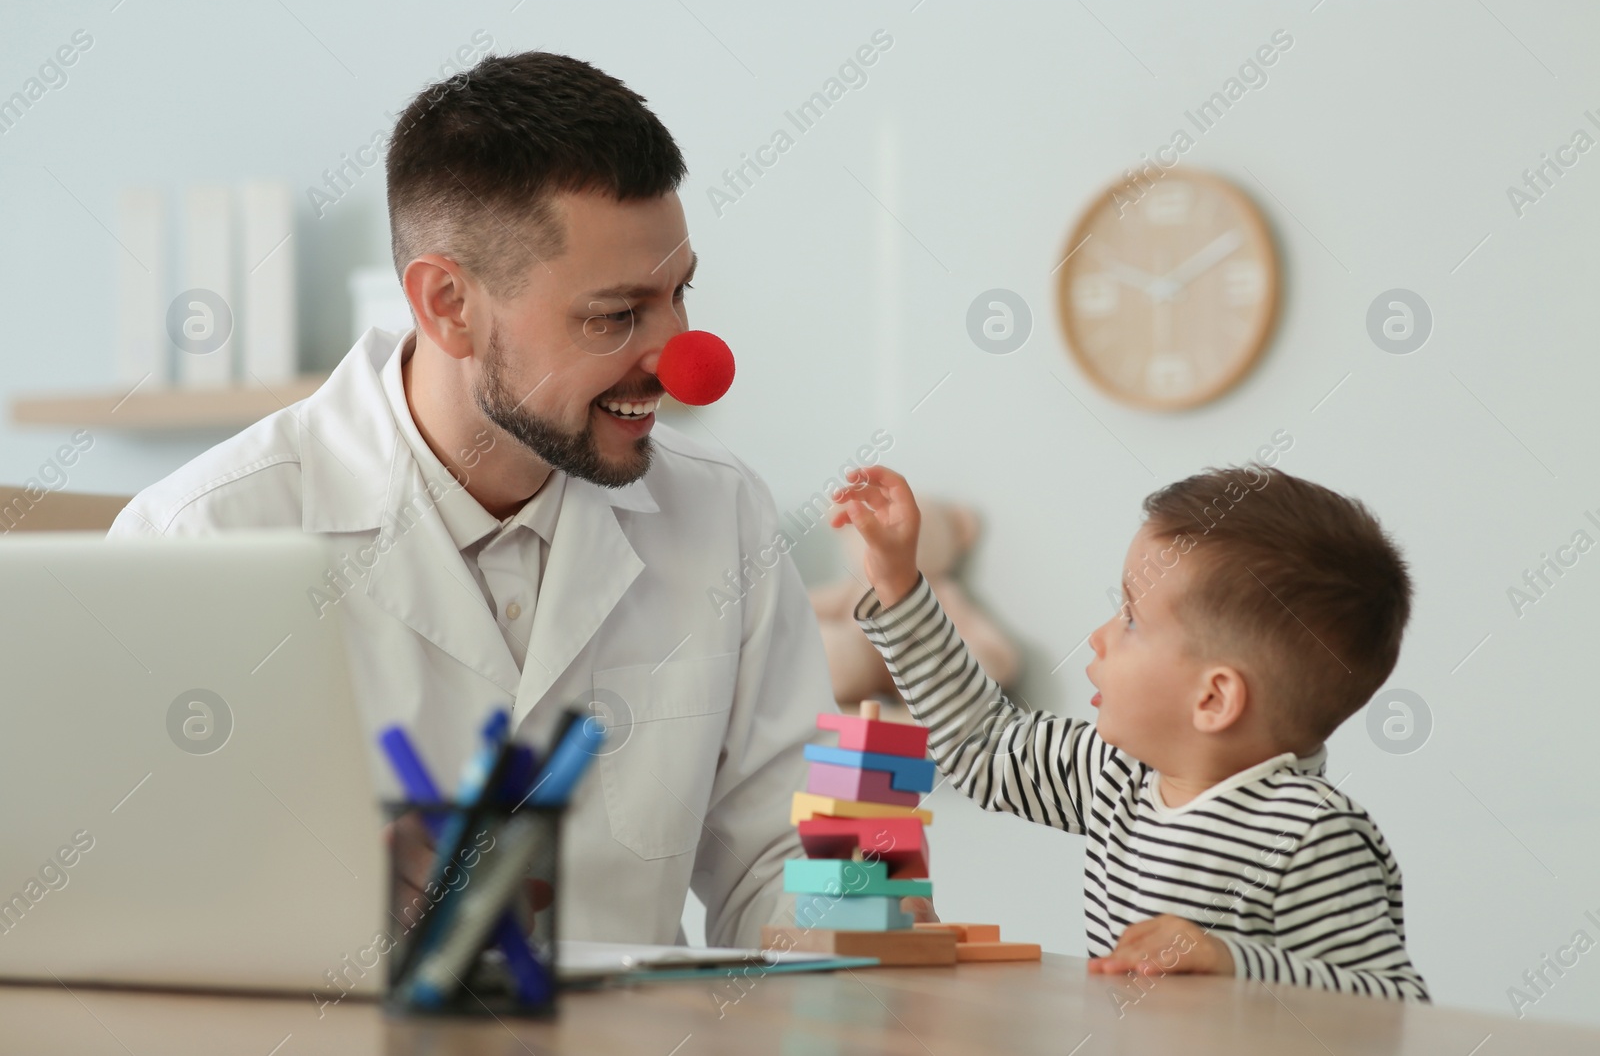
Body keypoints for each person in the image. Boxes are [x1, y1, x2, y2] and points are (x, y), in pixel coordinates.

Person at [107, 51, 933, 947]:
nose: (682, 359)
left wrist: (864, 902)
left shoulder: (722, 516)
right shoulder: (201, 536)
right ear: (449, 302)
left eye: (679, 293)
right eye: (615, 315)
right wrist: (324, 905)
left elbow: (781, 855)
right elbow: (111, 915)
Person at [832, 463, 1429, 1000]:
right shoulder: (1116, 775)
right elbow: (981, 741)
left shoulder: (1311, 834)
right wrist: (900, 587)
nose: (1100, 636)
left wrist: (1230, 960)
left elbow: (1389, 1002)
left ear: (1214, 698)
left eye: (1131, 620)